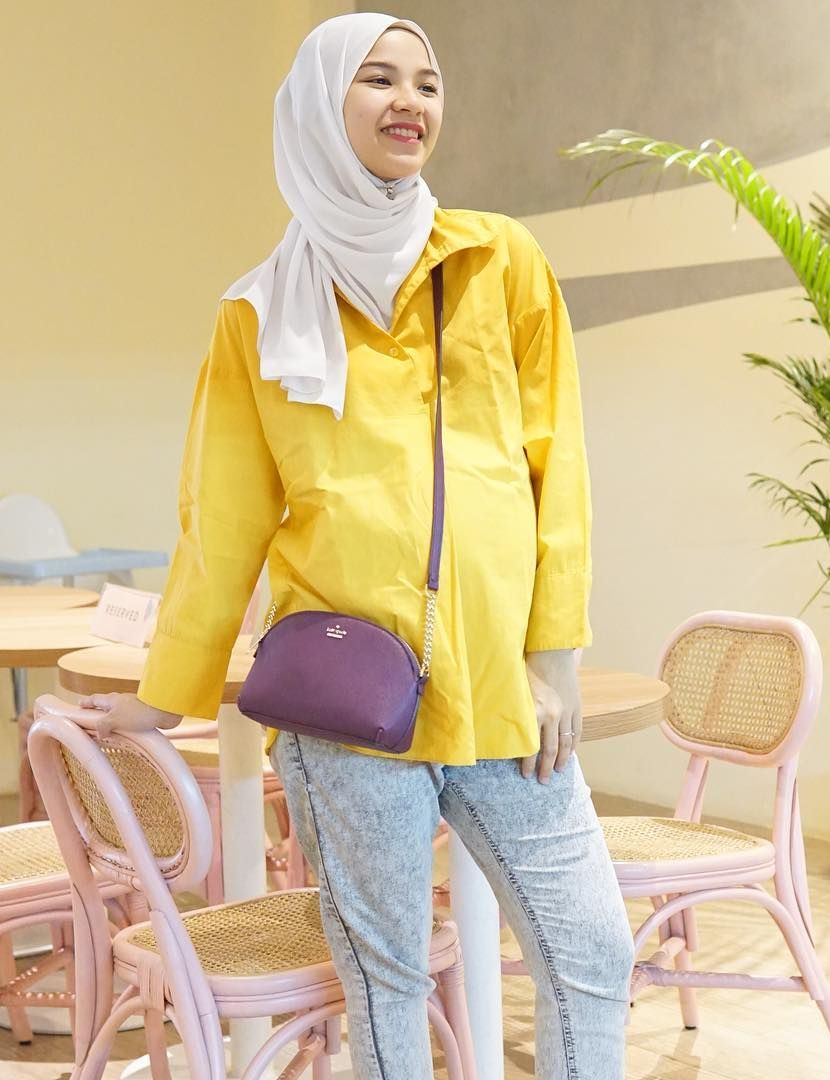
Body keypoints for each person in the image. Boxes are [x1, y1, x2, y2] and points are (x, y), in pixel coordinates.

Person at [79, 12, 635, 1080]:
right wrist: (165, 691)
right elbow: (221, 521)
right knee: (387, 980)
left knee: (590, 948)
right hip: (350, 708)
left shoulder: (498, 259)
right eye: (378, 79)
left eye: (427, 82)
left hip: (501, 692)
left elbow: (556, 465)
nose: (409, 102)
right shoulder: (258, 313)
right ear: (317, 106)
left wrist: (554, 654)